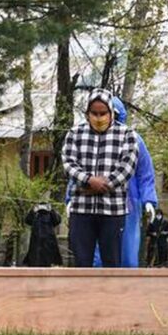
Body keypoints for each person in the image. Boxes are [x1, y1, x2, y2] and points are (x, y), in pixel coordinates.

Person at [65, 96, 157, 268]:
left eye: (106, 113)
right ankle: (95, 292)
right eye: (96, 113)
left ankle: (124, 291)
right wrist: (70, 199)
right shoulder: (81, 136)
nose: (100, 118)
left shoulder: (133, 138)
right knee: (94, 258)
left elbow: (145, 173)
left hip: (126, 203)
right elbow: (74, 169)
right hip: (87, 203)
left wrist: (149, 200)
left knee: (127, 254)